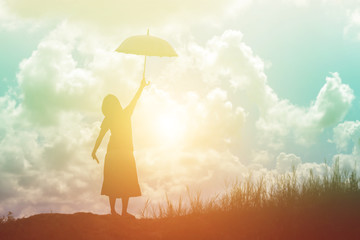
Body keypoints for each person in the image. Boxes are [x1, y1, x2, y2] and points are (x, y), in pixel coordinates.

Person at [91, 77, 148, 218]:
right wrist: (141, 87)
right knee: (126, 182)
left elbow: (100, 136)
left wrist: (94, 150)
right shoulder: (126, 113)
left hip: (113, 153)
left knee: (113, 182)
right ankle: (122, 212)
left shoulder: (108, 118)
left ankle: (113, 211)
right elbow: (135, 99)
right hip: (126, 153)